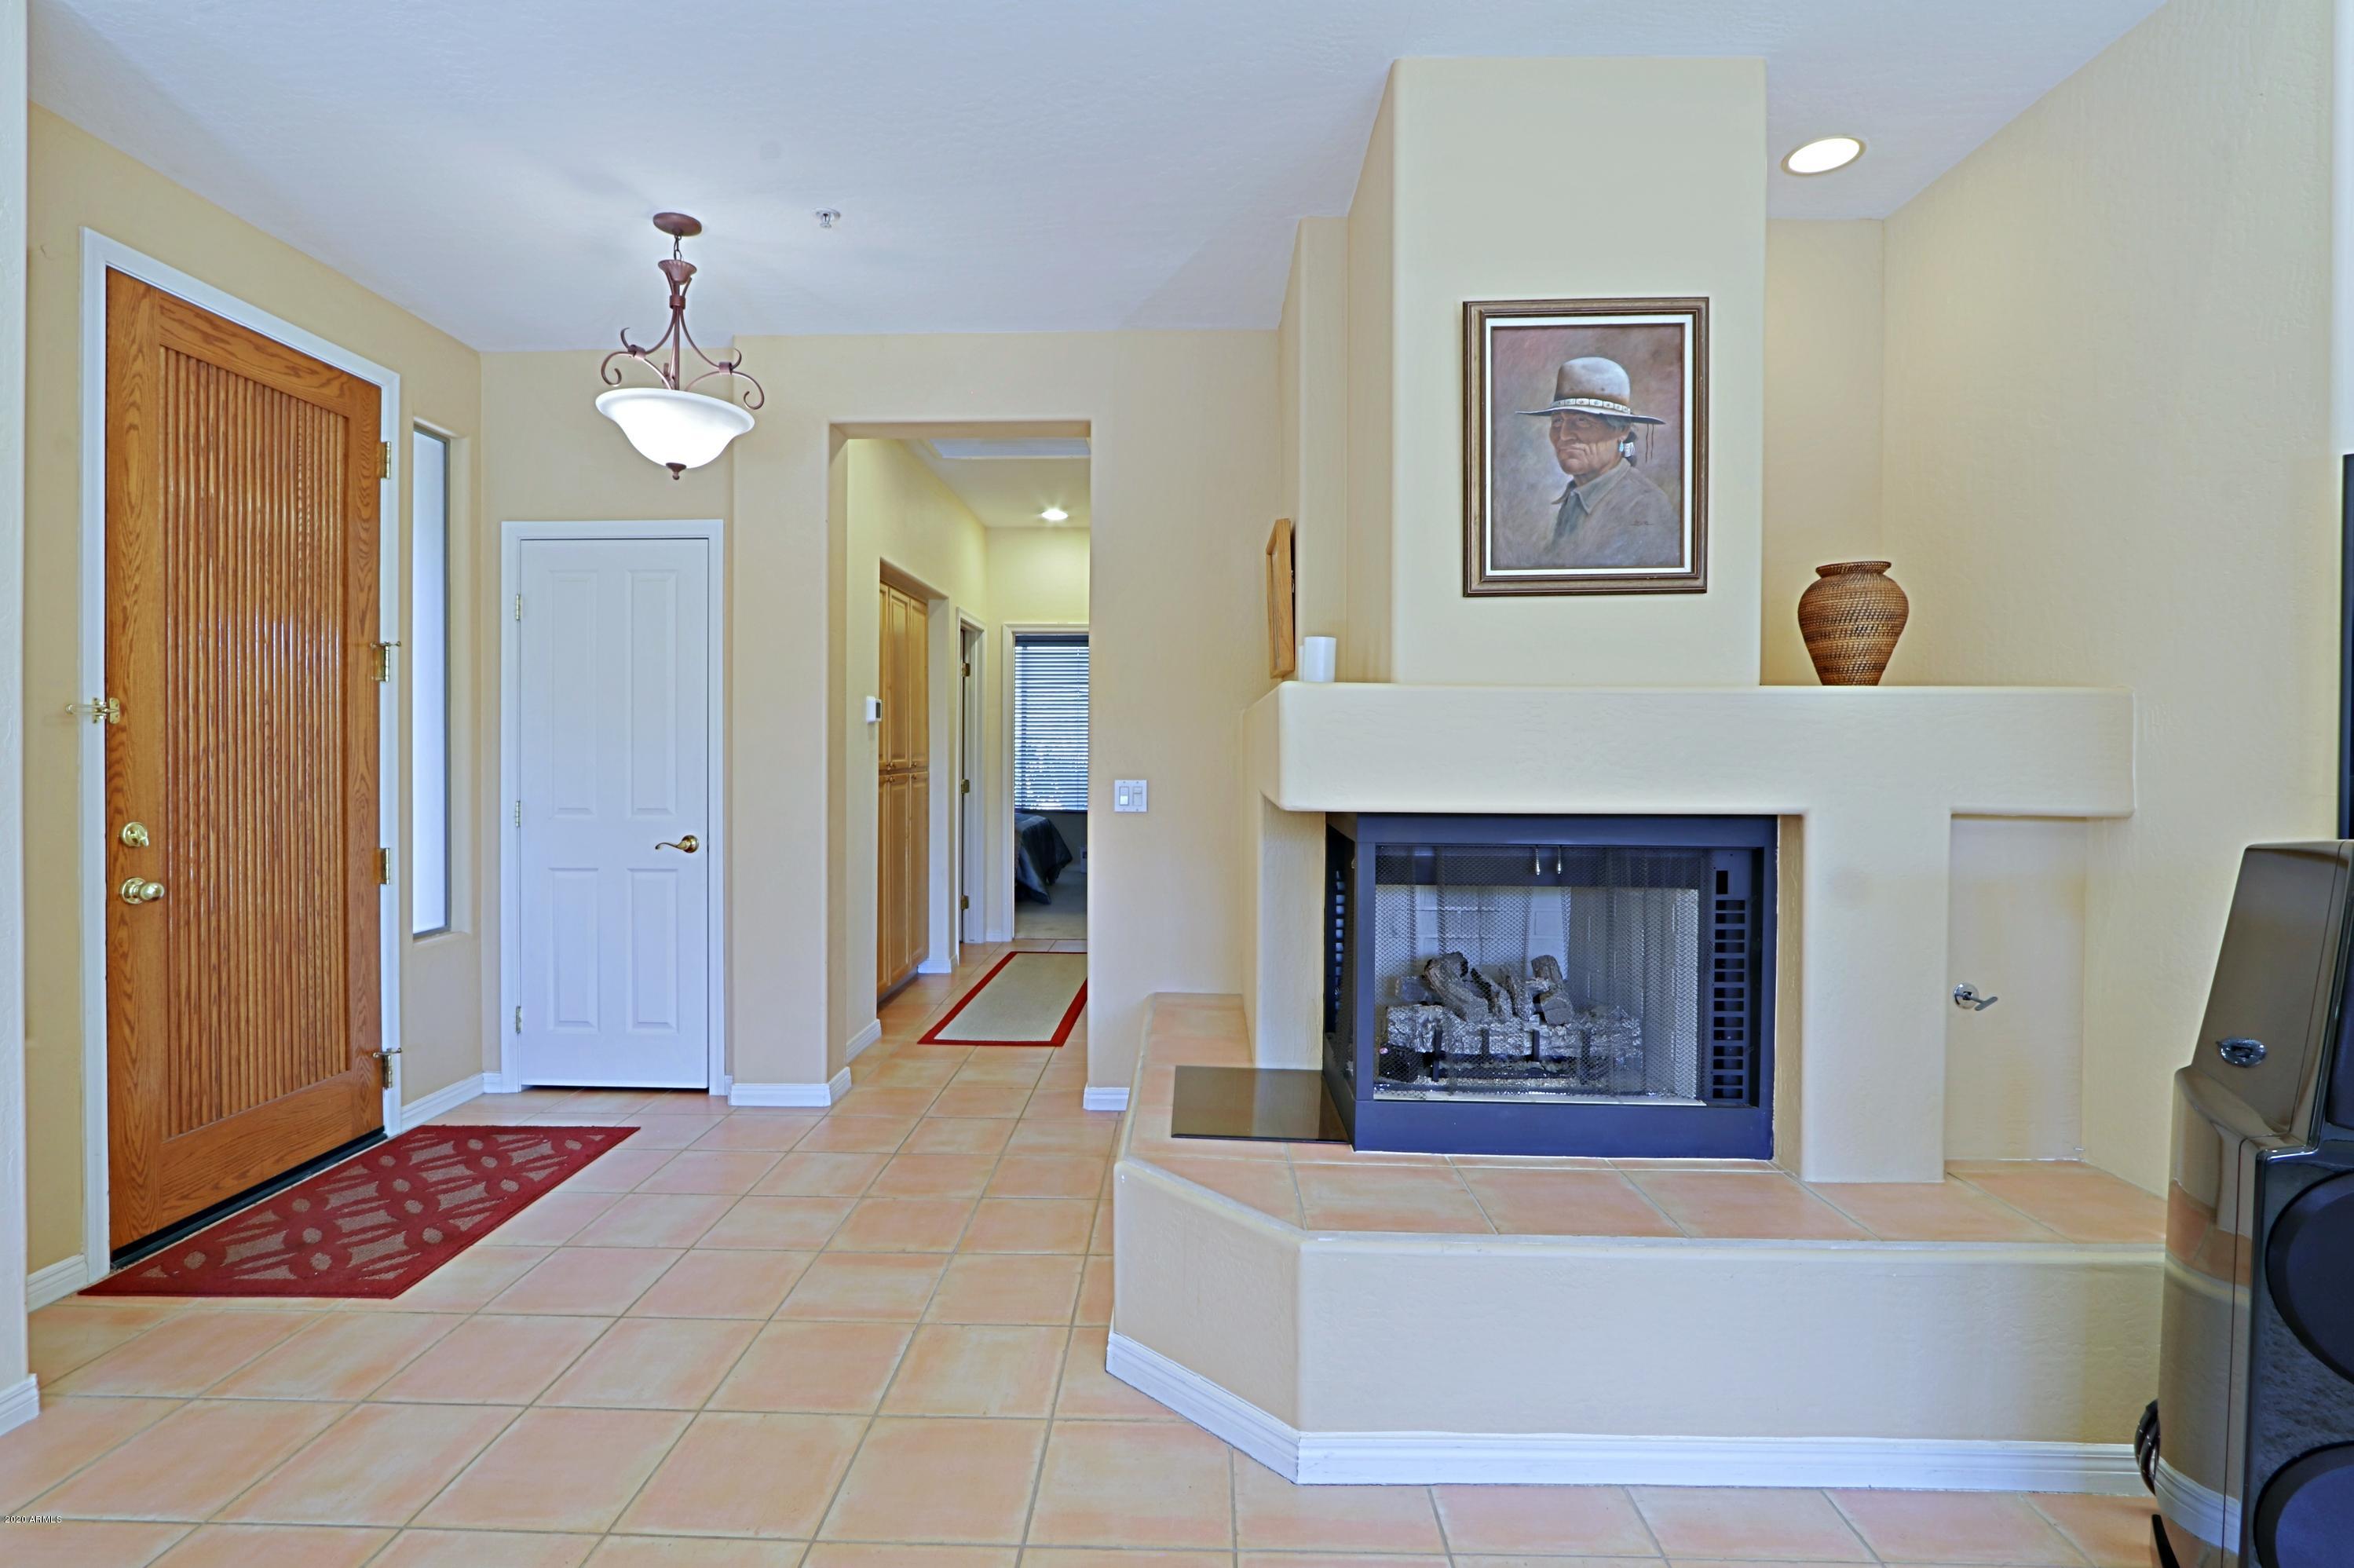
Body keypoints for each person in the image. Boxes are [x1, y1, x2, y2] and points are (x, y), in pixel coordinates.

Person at [1506, 356, 1680, 570]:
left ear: (1621, 431)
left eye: (1582, 421)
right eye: (1557, 421)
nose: (1564, 435)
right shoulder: (1576, 498)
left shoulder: (1644, 506)